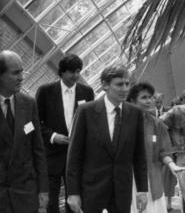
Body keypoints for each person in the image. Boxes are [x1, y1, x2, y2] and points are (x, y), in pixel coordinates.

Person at [66, 65, 148, 213]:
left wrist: (142, 190)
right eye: (119, 84)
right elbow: (74, 156)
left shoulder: (135, 113)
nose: (124, 89)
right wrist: (72, 192)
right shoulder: (86, 111)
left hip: (122, 192)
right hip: (92, 190)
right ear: (105, 85)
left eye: (127, 84)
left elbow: (139, 154)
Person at [36, 54, 94, 213]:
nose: (76, 76)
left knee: (75, 200)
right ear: (61, 72)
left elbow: (90, 123)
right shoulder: (45, 91)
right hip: (52, 155)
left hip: (76, 156)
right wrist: (53, 136)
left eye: (78, 71)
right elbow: (37, 123)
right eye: (72, 72)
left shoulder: (87, 92)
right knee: (51, 202)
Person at [0, 50, 49, 213]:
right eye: (15, 73)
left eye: (22, 71)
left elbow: (38, 149)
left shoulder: (29, 104)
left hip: (26, 195)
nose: (21, 77)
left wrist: (43, 189)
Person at [126, 82, 185, 213]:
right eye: (143, 97)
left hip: (152, 179)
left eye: (150, 97)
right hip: (129, 181)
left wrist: (172, 166)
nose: (149, 101)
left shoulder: (157, 124)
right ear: (132, 100)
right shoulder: (121, 123)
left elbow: (164, 152)